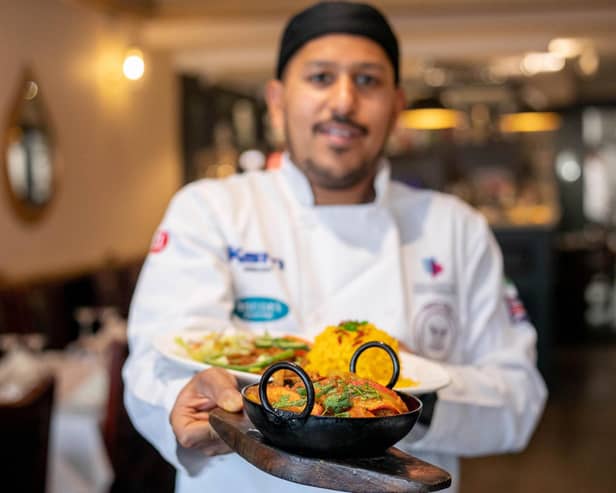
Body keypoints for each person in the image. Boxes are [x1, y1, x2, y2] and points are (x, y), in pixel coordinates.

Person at [123, 2, 548, 492]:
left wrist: (411, 394)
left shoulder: (456, 227)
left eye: (367, 80)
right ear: (278, 100)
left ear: (396, 104)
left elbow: (519, 400)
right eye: (321, 77)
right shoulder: (210, 210)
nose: (343, 101)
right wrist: (183, 396)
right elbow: (152, 367)